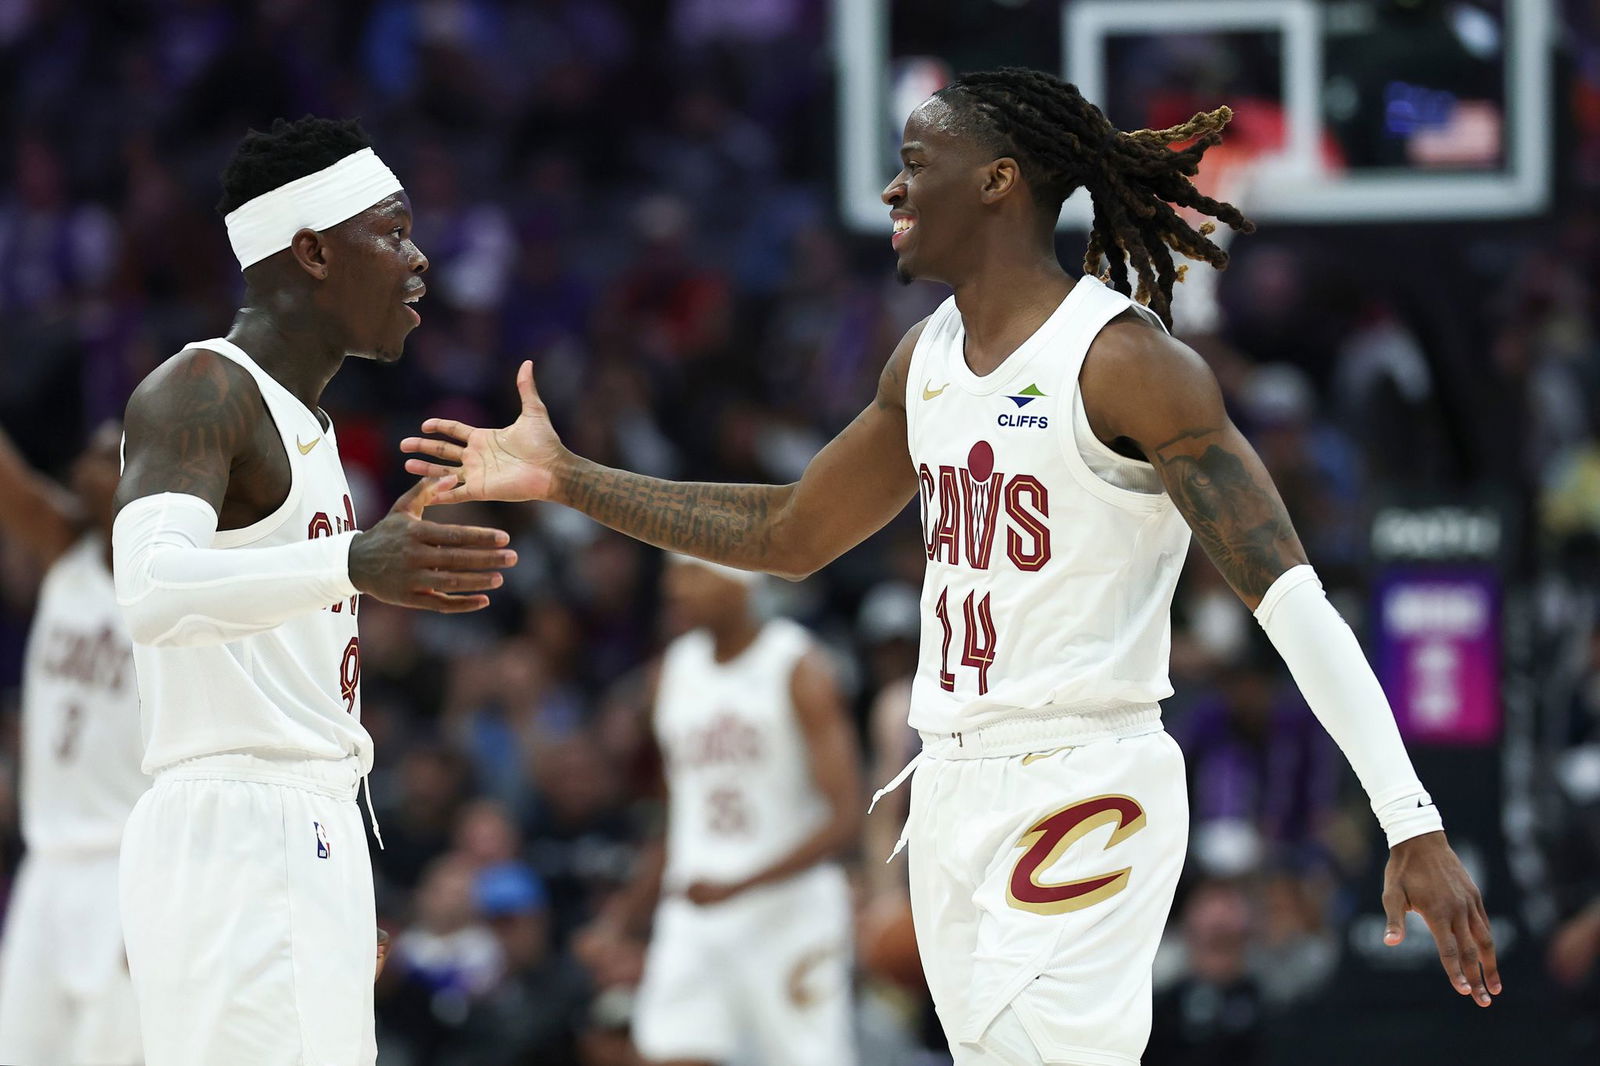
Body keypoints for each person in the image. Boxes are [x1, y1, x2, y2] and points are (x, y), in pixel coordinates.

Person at [403, 68, 1498, 1065]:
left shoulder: (1125, 362)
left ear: (999, 182)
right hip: (953, 782)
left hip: (1085, 776)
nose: (890, 189)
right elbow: (788, 532)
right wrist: (565, 477)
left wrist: (1410, 817)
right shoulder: (920, 360)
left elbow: (1288, 595)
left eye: (916, 165)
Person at [111, 115, 516, 1066]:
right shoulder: (203, 388)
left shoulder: (310, 425)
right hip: (240, 828)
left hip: (302, 825)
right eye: (393, 231)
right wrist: (351, 565)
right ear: (311, 251)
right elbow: (151, 589)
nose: (419, 261)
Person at [579, 554, 861, 1066]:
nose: (675, 588)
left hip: (788, 911)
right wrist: (620, 917)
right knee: (669, 1052)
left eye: (691, 572)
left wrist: (741, 883)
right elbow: (678, 822)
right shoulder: (670, 674)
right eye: (671, 574)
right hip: (697, 909)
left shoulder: (797, 666)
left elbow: (844, 816)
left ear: (738, 578)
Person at [0, 422, 147, 1065]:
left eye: (104, 458)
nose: (85, 470)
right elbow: (14, 484)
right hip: (46, 864)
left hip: (129, 870)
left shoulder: (183, 593)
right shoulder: (67, 553)